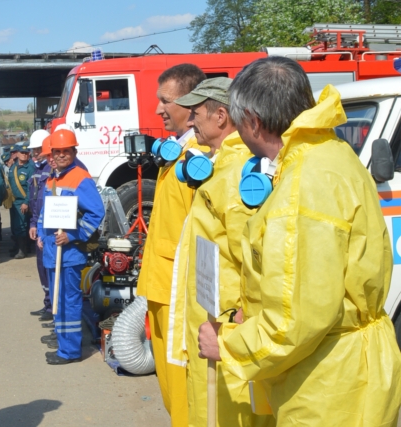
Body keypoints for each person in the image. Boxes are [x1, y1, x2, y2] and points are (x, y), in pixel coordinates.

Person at [198, 57, 401, 426]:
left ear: (254, 122)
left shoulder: (302, 186)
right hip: (349, 368)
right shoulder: (333, 153)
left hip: (327, 385)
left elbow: (297, 320)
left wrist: (226, 344)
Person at [166, 78, 273, 427]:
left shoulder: (239, 173)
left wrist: (240, 317)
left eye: (196, 114)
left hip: (225, 328)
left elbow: (254, 255)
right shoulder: (222, 166)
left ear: (222, 116)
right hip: (212, 326)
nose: (190, 121)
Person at [135, 63, 206, 426]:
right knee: (169, 387)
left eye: (165, 101)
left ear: (193, 103)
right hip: (161, 286)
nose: (158, 109)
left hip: (180, 294)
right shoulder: (178, 150)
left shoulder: (200, 157)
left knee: (184, 392)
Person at [38, 128, 105, 365]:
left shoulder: (80, 178)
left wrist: (72, 235)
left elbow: (96, 212)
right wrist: (39, 231)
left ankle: (70, 351)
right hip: (51, 251)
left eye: (66, 151)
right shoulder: (53, 178)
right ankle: (64, 344)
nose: (61, 155)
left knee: (68, 301)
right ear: (52, 153)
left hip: (68, 254)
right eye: (58, 151)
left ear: (74, 152)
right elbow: (46, 211)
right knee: (59, 300)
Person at [27, 130, 54, 322]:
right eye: (33, 151)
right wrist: (33, 223)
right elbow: (35, 200)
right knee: (41, 268)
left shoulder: (51, 170)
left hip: (50, 228)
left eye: (38, 150)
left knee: (49, 269)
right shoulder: (37, 171)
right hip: (40, 226)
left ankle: (53, 307)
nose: (35, 154)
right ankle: (48, 304)